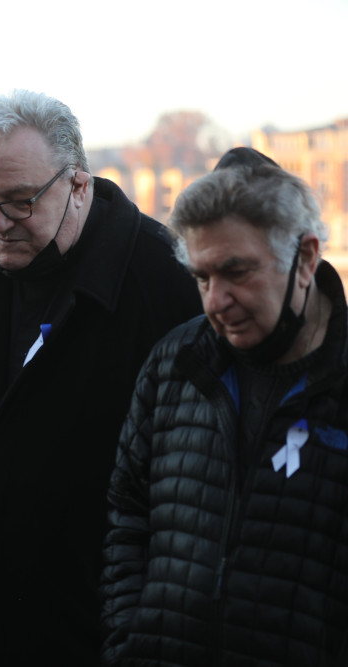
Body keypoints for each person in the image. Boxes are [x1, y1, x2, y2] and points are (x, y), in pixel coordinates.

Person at [0, 89, 202, 665]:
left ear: (78, 184)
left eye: (19, 202)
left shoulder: (164, 281)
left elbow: (194, 487)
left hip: (102, 637)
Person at [101, 149, 348, 665]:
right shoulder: (173, 363)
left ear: (305, 258)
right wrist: (130, 641)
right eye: (202, 278)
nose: (215, 301)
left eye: (236, 272)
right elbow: (128, 513)